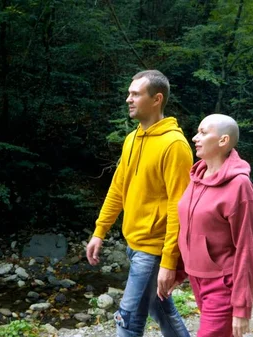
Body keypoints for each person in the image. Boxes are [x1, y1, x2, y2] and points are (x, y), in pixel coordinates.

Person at [85, 70, 193, 337]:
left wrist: (169, 262)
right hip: (134, 243)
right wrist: (100, 231)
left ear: (156, 99)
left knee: (128, 320)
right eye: (129, 93)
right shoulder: (132, 139)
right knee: (161, 310)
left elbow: (179, 209)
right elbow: (118, 188)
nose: (128, 99)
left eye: (135, 94)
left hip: (153, 249)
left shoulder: (175, 145)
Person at [176, 114, 253, 337]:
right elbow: (187, 228)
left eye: (203, 133)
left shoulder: (239, 185)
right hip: (197, 278)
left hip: (223, 285)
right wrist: (176, 271)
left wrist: (242, 308)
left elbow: (247, 249)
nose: (195, 137)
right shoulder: (197, 176)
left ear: (223, 140)